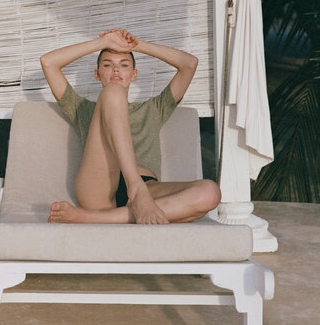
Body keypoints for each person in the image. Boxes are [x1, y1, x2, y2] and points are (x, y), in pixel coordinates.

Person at [40, 28, 221, 225]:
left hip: (148, 188)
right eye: (107, 65)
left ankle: (90, 217)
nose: (116, 70)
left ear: (134, 74)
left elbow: (189, 64)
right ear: (97, 74)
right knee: (113, 92)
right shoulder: (83, 109)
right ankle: (135, 188)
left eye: (124, 65)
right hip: (99, 189)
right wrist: (102, 43)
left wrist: (137, 45)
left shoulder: (153, 109)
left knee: (210, 192)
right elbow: (48, 63)